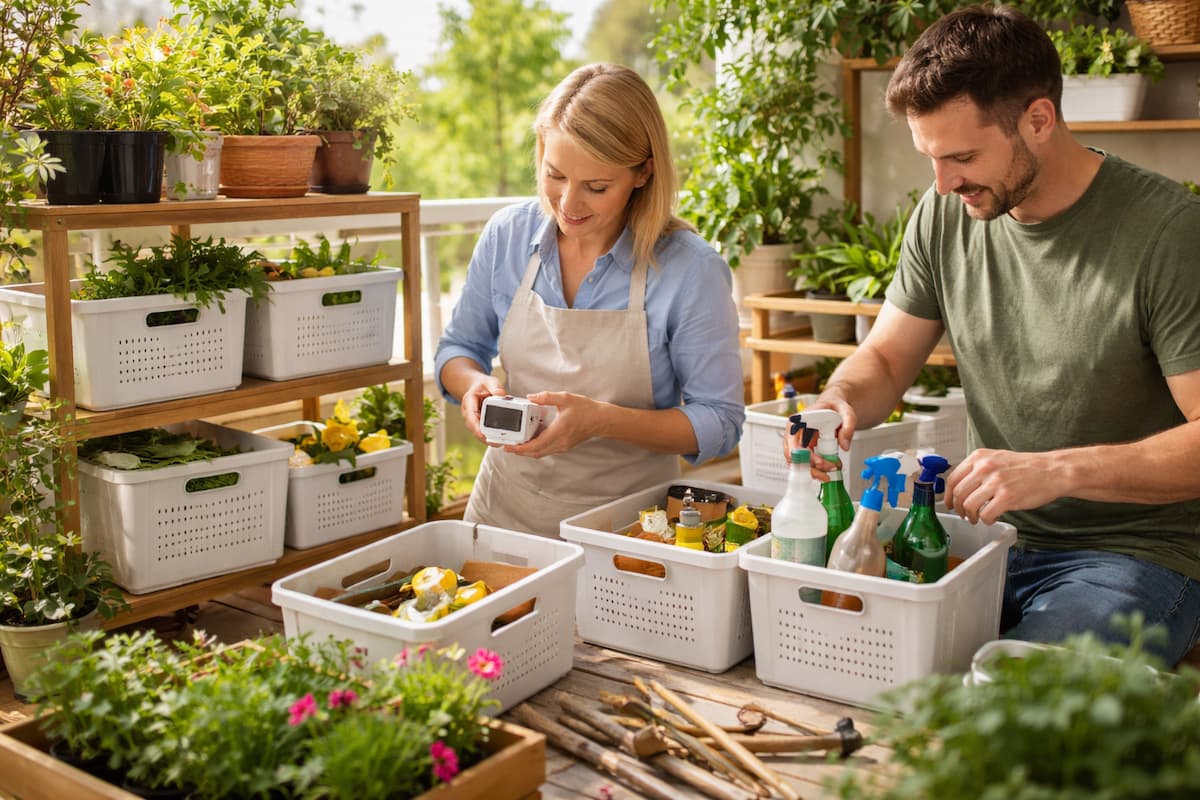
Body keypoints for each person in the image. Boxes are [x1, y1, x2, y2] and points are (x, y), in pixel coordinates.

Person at [792, 5, 1200, 664]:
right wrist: (840, 399)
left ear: (1039, 120)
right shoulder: (944, 214)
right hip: (983, 539)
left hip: (1132, 554)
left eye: (962, 157)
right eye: (930, 158)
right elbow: (887, 359)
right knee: (835, 652)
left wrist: (1057, 471)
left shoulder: (1169, 234)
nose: (943, 183)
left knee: (1004, 700)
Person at [435, 63, 744, 537]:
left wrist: (602, 422)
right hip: (504, 513)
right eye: (555, 175)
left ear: (643, 172)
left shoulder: (690, 270)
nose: (568, 204)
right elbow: (458, 349)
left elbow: (719, 422)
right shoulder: (507, 236)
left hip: (628, 529)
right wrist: (472, 385)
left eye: (596, 187)